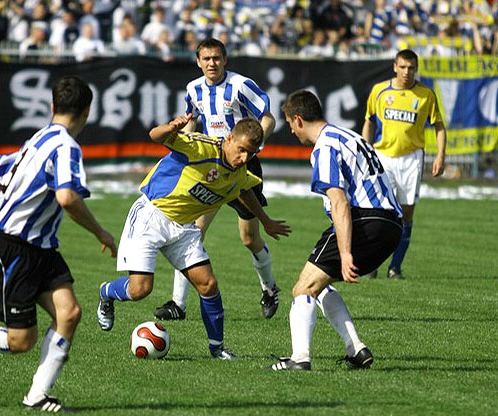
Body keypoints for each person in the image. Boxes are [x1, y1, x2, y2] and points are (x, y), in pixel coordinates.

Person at [0, 76, 117, 412]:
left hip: (40, 248)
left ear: (52, 107)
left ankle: (37, 396)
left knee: (69, 313)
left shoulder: (39, 138)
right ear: (88, 111)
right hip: (12, 249)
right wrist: (101, 233)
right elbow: (67, 197)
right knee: (21, 341)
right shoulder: (67, 147)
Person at [96, 114, 291, 360]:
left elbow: (243, 189)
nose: (244, 158)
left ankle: (217, 349)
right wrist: (170, 128)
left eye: (250, 154)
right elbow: (154, 136)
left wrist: (266, 221)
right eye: (241, 150)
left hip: (183, 227)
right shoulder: (200, 147)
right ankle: (106, 292)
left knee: (208, 284)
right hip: (151, 216)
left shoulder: (239, 169)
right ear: (229, 138)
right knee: (140, 290)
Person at [266, 90, 402, 371]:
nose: (291, 131)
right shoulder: (350, 136)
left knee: (302, 288)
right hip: (392, 226)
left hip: (365, 220)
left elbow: (339, 201)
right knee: (320, 285)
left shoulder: (325, 147)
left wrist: (345, 252)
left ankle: (299, 358)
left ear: (299, 119)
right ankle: (356, 350)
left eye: (290, 124)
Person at [153, 37, 280, 323]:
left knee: (249, 239)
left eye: (216, 58)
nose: (212, 63)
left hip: (241, 165)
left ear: (225, 60)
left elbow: (267, 117)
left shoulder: (240, 85)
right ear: (198, 61)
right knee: (190, 231)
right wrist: (184, 140)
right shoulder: (193, 89)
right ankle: (178, 304)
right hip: (210, 163)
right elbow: (192, 118)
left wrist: (253, 146)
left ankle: (269, 289)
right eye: (206, 59)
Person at [362, 49, 446, 279]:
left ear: (416, 69)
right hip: (383, 157)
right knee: (380, 210)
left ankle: (395, 267)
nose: (406, 72)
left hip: (412, 159)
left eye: (411, 68)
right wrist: (364, 150)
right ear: (394, 67)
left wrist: (440, 156)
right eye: (402, 67)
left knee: (406, 214)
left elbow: (439, 126)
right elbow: (369, 121)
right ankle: (372, 264)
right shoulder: (379, 91)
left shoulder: (425, 94)